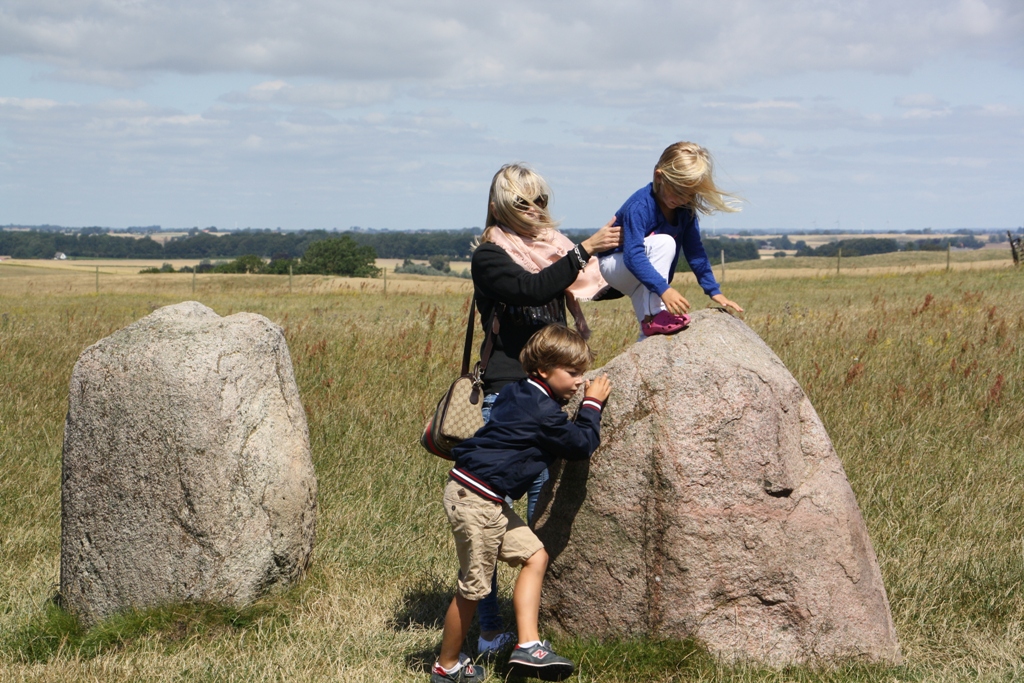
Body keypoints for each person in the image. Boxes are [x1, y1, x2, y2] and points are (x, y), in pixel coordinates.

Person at [468, 162, 620, 652]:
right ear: (498, 206)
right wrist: (582, 251)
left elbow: (603, 285)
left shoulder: (553, 250)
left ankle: (533, 625)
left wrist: (651, 254)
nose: (534, 211)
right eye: (521, 203)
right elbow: (530, 288)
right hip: (505, 397)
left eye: (540, 201)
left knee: (541, 512)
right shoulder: (490, 257)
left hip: (552, 396)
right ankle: (490, 627)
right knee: (492, 522)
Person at [431, 325, 611, 683]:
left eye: (582, 374)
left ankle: (527, 646)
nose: (579, 381)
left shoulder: (518, 391)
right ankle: (446, 666)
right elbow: (580, 444)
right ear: (544, 370)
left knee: (535, 555)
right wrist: (592, 404)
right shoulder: (544, 413)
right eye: (572, 373)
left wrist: (566, 399)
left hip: (484, 499)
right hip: (477, 501)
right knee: (473, 589)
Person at [598, 141, 744, 338]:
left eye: (690, 194)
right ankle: (656, 314)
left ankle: (649, 337)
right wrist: (664, 290)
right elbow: (633, 256)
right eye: (678, 191)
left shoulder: (686, 211)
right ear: (660, 177)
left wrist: (714, 291)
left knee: (652, 333)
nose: (683, 199)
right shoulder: (640, 205)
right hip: (616, 264)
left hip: (641, 276)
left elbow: (696, 253)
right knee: (665, 242)